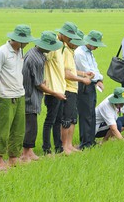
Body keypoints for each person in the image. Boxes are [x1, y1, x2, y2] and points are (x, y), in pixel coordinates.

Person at [0, 25, 36, 170]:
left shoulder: (20, 51)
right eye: (25, 40)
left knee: (18, 129)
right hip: (5, 96)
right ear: (17, 39)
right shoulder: (1, 53)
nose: (27, 43)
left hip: (19, 94)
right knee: (3, 129)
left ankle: (13, 157)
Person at [21, 31, 64, 162]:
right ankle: (26, 153)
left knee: (30, 125)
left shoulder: (32, 52)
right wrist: (55, 93)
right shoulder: (38, 59)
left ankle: (29, 152)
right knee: (31, 126)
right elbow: (39, 84)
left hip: (28, 93)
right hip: (31, 96)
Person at [42, 22, 82, 155]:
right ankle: (47, 149)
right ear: (63, 34)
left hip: (60, 88)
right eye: (69, 36)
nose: (71, 39)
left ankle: (59, 148)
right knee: (51, 121)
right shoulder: (54, 46)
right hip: (53, 90)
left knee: (58, 120)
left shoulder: (62, 47)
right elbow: (44, 58)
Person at [57, 22, 91, 155]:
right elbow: (65, 73)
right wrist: (82, 79)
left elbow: (72, 70)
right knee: (66, 119)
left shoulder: (71, 51)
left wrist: (83, 74)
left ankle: (69, 145)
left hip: (73, 89)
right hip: (67, 88)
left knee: (72, 119)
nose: (77, 45)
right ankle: (64, 146)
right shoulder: (64, 50)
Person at [75, 30, 106, 149]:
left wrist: (99, 79)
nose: (97, 47)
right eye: (96, 45)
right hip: (83, 86)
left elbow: (95, 68)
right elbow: (88, 72)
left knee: (91, 114)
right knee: (85, 115)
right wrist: (99, 78)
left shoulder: (89, 52)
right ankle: (85, 143)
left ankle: (91, 141)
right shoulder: (80, 53)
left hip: (91, 85)